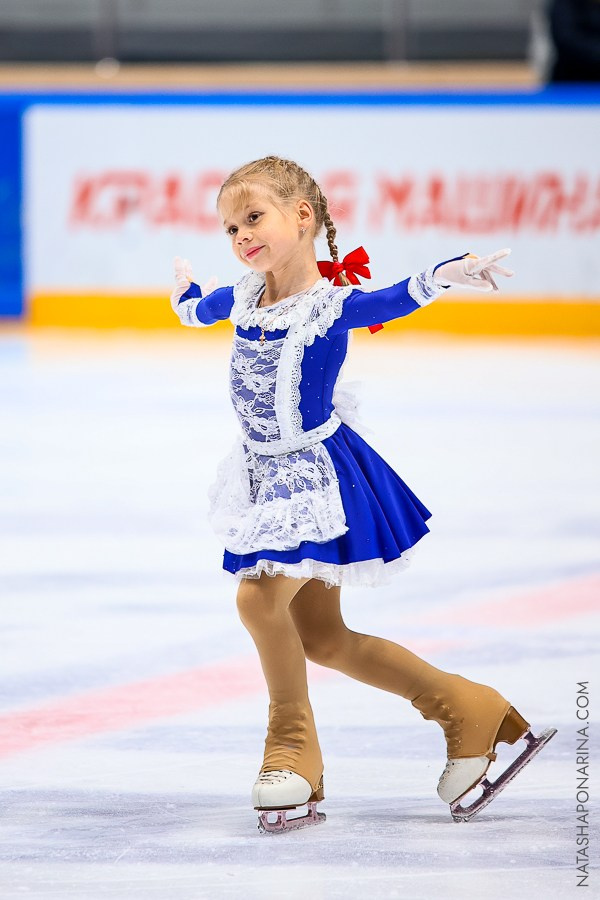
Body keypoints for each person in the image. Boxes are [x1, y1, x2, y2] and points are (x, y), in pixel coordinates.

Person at [170, 156, 556, 833]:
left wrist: (443, 274)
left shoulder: (328, 305)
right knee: (322, 636)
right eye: (230, 227)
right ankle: (469, 709)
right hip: (262, 478)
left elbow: (393, 298)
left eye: (253, 218)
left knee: (259, 598)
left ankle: (292, 750)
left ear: (303, 217)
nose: (241, 236)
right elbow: (197, 312)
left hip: (316, 477)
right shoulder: (241, 297)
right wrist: (185, 294)